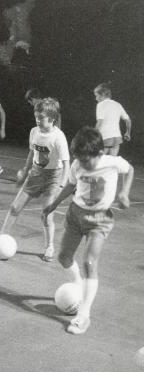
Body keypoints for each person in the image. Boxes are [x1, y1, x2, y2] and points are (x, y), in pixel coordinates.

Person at [42, 126, 134, 335]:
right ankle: (78, 284)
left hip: (99, 220)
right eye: (79, 160)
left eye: (86, 160)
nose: (82, 163)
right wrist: (54, 204)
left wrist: (124, 193)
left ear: (99, 153)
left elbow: (129, 170)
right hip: (75, 215)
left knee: (89, 261)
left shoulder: (111, 162)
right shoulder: (77, 164)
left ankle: (84, 315)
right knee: (64, 257)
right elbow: (70, 185)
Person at [0, 98, 69, 261]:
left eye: (41, 118)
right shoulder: (34, 132)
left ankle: (49, 247)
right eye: (36, 116)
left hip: (53, 177)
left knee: (46, 214)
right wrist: (25, 172)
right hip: (35, 174)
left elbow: (66, 164)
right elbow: (32, 154)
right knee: (15, 207)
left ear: (51, 119)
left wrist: (61, 186)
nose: (37, 120)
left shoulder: (58, 137)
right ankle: (2, 238)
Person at [94, 82, 131, 156]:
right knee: (112, 163)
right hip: (117, 138)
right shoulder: (117, 104)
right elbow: (128, 120)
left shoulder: (100, 105)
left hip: (105, 137)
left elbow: (100, 122)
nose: (96, 98)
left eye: (97, 96)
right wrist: (128, 132)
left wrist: (93, 135)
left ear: (102, 95)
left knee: (100, 163)